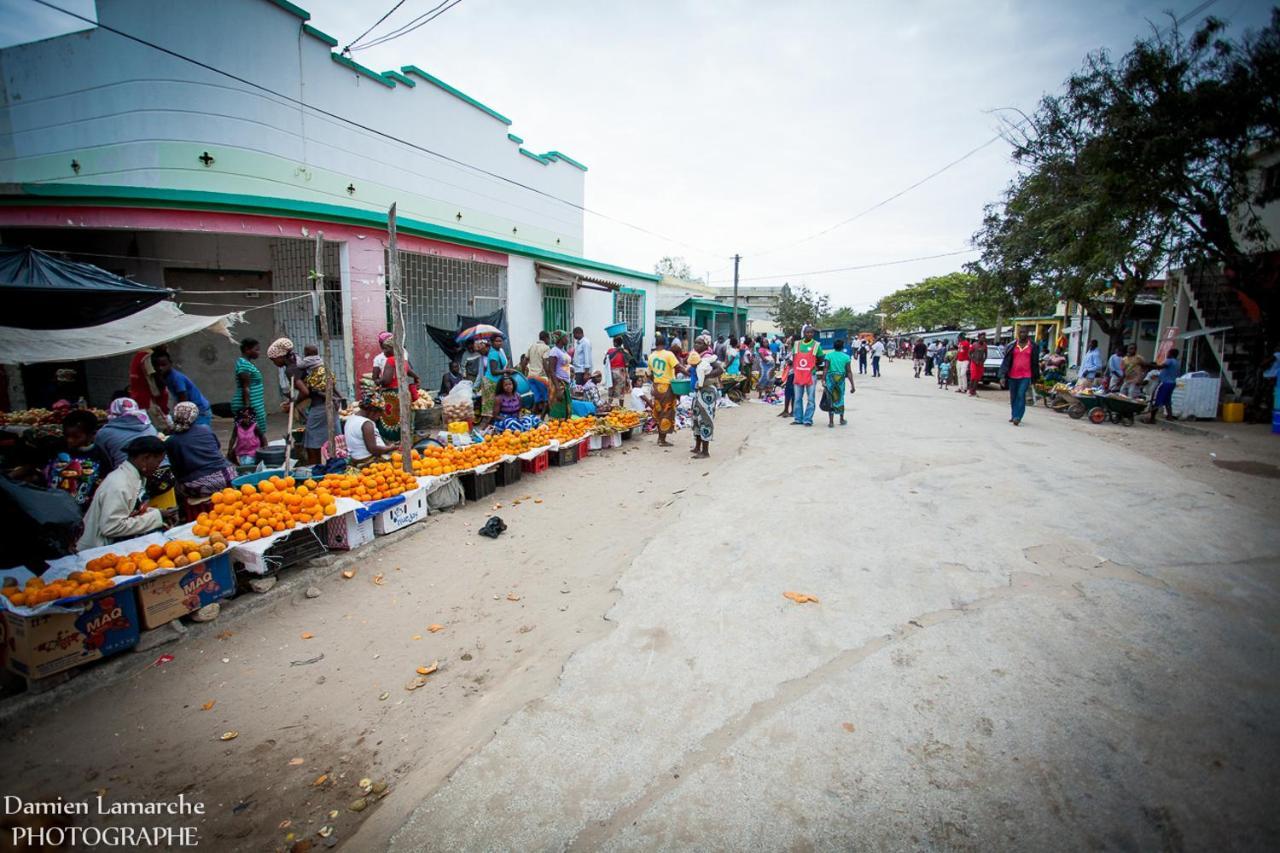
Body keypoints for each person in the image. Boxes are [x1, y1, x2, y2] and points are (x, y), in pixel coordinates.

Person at [77, 435, 169, 549]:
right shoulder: (119, 484)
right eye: (158, 462)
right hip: (99, 548)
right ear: (145, 458)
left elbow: (131, 509)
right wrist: (156, 516)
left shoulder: (134, 477)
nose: (158, 467)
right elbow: (111, 527)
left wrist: (157, 513)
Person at [267, 337, 335, 466]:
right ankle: (329, 468)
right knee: (329, 440)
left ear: (280, 356)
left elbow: (305, 392)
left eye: (273, 360)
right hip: (327, 403)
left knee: (312, 444)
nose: (274, 363)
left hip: (319, 406)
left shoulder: (290, 369)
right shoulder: (298, 360)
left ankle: (314, 471)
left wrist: (293, 403)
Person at [166, 401, 236, 520]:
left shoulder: (172, 441)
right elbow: (217, 448)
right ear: (195, 416)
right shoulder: (205, 429)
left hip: (199, 485)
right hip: (227, 476)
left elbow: (176, 468)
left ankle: (186, 517)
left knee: (175, 486)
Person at [43, 409, 108, 513]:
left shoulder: (98, 455)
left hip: (84, 510)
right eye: (67, 436)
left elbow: (104, 480)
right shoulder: (57, 448)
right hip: (55, 506)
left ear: (92, 435)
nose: (70, 440)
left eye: (76, 437)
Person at [151, 349, 212, 426]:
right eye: (157, 365)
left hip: (200, 410)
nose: (160, 368)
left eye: (164, 365)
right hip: (192, 410)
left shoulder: (176, 378)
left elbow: (183, 400)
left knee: (199, 434)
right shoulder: (163, 376)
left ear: (170, 363)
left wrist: (180, 420)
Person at [96, 397, 160, 472]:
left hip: (127, 475)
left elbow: (105, 461)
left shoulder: (103, 433)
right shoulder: (149, 426)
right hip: (161, 471)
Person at [228, 337, 269, 435]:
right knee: (253, 434)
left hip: (254, 403)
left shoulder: (247, 364)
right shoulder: (244, 366)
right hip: (248, 404)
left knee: (252, 433)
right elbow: (245, 387)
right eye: (256, 349)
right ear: (247, 349)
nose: (259, 352)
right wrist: (247, 409)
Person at [343, 392, 397, 466]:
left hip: (355, 459)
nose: (378, 418)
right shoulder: (366, 424)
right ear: (372, 410)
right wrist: (390, 448)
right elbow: (373, 450)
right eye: (379, 414)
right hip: (368, 461)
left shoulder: (351, 419)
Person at [1000, 328, 1040, 426]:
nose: (1022, 334)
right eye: (1021, 332)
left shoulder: (1033, 346)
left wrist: (1035, 377)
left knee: (1021, 395)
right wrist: (1002, 376)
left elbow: (1035, 363)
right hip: (1012, 375)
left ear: (1028, 333)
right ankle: (1014, 415)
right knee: (1013, 396)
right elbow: (1006, 362)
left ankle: (1018, 417)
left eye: (1024, 332)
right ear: (1018, 334)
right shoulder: (1012, 346)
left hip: (1026, 375)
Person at [690, 340, 722, 459]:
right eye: (695, 343)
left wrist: (704, 376)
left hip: (707, 392)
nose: (696, 345)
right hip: (698, 391)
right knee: (696, 418)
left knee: (705, 419)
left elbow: (720, 370)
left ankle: (705, 451)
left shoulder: (708, 357)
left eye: (699, 343)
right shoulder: (696, 356)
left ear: (706, 345)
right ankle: (697, 446)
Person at [647, 335, 680, 446]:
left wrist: (655, 382)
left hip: (657, 387)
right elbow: (678, 367)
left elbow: (649, 374)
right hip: (667, 387)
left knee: (659, 411)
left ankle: (660, 437)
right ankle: (662, 439)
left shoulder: (651, 356)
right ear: (665, 343)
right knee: (667, 412)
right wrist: (689, 374)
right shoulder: (669, 354)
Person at [128, 348, 169, 427]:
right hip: (148, 397)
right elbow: (153, 375)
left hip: (138, 397)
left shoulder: (137, 356)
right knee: (163, 426)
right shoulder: (147, 356)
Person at [791, 326, 823, 427]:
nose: (810, 334)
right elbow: (794, 357)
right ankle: (798, 419)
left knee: (811, 398)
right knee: (797, 398)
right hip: (798, 375)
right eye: (808, 332)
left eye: (811, 333)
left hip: (811, 375)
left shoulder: (816, 345)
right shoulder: (797, 344)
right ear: (804, 333)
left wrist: (816, 366)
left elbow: (821, 358)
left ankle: (808, 419)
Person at [822, 339, 855, 427]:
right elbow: (849, 372)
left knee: (831, 399)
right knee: (840, 398)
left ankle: (831, 422)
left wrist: (823, 379)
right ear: (842, 347)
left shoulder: (828, 355)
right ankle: (841, 419)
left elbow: (825, 368)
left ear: (834, 346)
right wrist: (852, 385)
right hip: (840, 380)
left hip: (830, 379)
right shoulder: (846, 357)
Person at [1144, 348, 1181, 423]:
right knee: (1167, 400)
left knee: (1158, 400)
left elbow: (1161, 366)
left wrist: (1149, 365)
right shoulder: (1177, 363)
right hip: (1172, 383)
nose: (1167, 355)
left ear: (1171, 354)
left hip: (1165, 383)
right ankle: (1170, 417)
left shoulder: (1169, 360)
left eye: (1168, 353)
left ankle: (1152, 418)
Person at [524, 331, 553, 413]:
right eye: (549, 339)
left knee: (537, 399)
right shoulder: (546, 348)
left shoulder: (532, 346)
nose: (549, 341)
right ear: (546, 338)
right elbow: (545, 362)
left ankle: (532, 417)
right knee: (546, 399)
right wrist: (549, 377)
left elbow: (525, 360)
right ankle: (543, 418)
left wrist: (524, 373)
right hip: (541, 377)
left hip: (530, 377)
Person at [547, 331, 573, 416]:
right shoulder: (554, 351)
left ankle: (566, 426)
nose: (567, 339)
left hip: (565, 382)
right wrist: (558, 388)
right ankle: (558, 427)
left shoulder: (563, 351)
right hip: (558, 383)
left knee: (566, 408)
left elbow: (564, 365)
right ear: (560, 339)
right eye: (565, 337)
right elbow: (551, 370)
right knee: (559, 408)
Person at [605, 336, 632, 402]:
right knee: (621, 392)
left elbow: (605, 361)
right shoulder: (625, 351)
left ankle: (609, 405)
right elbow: (628, 363)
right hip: (621, 372)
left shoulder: (610, 351)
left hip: (611, 372)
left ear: (615, 343)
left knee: (611, 390)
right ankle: (621, 407)